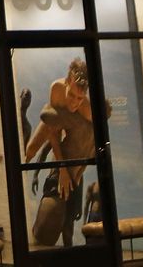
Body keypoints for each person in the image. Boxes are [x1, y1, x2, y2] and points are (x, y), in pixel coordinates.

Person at [21, 58, 99, 248]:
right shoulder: (56, 89)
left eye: (79, 98)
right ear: (66, 83)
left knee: (73, 175)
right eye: (71, 95)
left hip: (77, 128)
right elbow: (53, 131)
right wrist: (61, 167)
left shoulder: (87, 111)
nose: (74, 102)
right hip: (58, 118)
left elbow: (90, 148)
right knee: (30, 149)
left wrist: (76, 174)